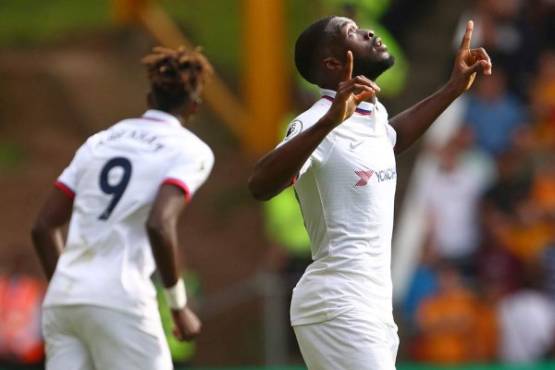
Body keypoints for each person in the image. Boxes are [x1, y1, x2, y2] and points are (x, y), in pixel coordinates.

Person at [248, 16, 491, 370]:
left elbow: (393, 138)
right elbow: (260, 184)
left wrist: (453, 88)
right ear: (332, 64)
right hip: (338, 301)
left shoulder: (372, 114)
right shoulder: (316, 120)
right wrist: (329, 121)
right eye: (352, 33)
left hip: (372, 304)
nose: (370, 33)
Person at [31, 46, 214, 370]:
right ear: (194, 106)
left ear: (149, 98)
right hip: (120, 297)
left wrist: (65, 285)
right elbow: (160, 224)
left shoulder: (99, 141)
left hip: (63, 300)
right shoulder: (190, 150)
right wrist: (178, 306)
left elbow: (44, 226)